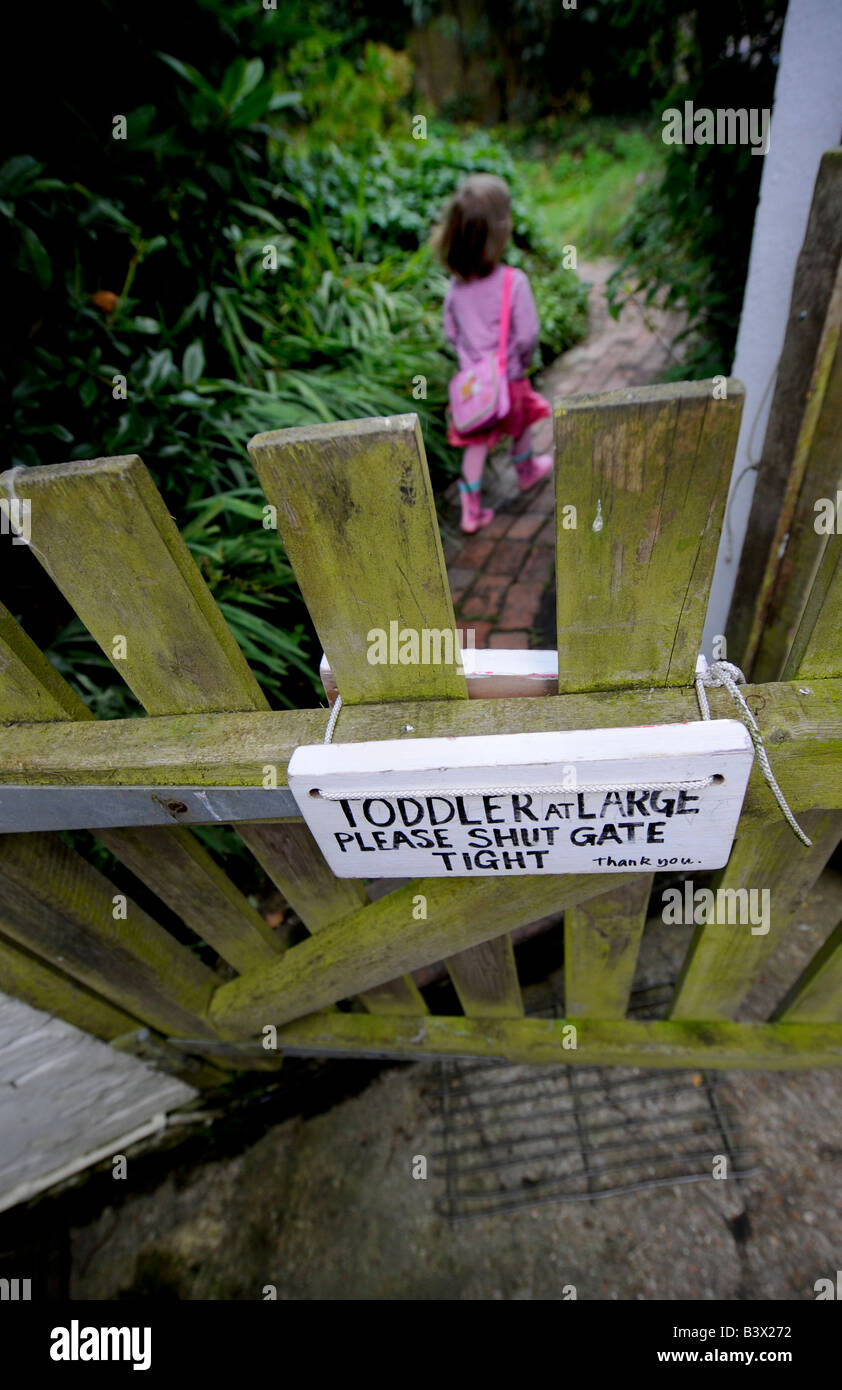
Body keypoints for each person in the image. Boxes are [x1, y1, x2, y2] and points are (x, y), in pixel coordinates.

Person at [434, 173, 553, 534]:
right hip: (510, 377)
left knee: (476, 443)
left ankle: (470, 511)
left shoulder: (455, 289)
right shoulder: (512, 282)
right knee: (519, 425)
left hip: (474, 385)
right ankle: (526, 471)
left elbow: (450, 332)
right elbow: (527, 334)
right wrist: (522, 360)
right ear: (499, 233)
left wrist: (469, 360)